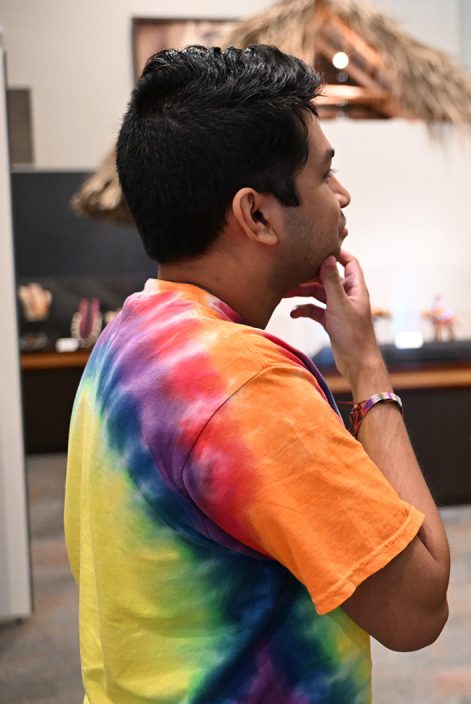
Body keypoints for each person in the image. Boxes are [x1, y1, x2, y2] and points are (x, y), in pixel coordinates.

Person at [64, 45, 450, 703]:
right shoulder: (246, 384)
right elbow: (418, 606)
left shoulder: (127, 339)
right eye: (325, 175)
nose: (342, 194)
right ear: (258, 215)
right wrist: (367, 368)